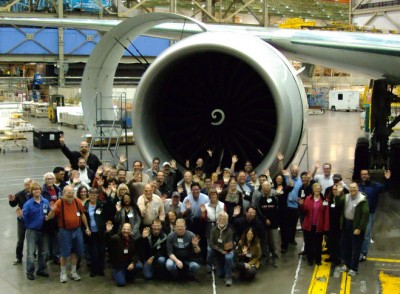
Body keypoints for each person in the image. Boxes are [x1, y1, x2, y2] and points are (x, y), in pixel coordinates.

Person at [46, 185, 91, 283]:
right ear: (63, 193)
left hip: (77, 230)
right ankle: (63, 273)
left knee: (75, 252)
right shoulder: (59, 203)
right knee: (64, 253)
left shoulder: (77, 201)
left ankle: (73, 272)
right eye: (68, 193)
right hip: (65, 232)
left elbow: (82, 214)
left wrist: (87, 227)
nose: (70, 195)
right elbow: (49, 218)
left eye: (72, 193)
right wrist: (52, 210)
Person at [337, 182, 369, 276]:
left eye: (354, 187)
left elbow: (365, 215)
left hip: (356, 226)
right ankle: (347, 264)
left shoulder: (362, 199)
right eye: (351, 188)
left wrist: (359, 228)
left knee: (356, 248)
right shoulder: (346, 197)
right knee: (346, 246)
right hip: (346, 224)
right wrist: (339, 194)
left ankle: (354, 268)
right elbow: (338, 204)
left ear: (358, 188)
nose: (352, 189)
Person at [19, 182, 50, 280]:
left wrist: (51, 212)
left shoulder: (45, 202)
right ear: (32, 192)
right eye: (34, 189)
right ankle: (30, 271)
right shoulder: (28, 204)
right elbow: (24, 219)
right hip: (32, 231)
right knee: (31, 253)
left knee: (43, 252)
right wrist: (20, 216)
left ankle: (41, 269)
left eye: (38, 189)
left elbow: (48, 214)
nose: (37, 191)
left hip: (43, 231)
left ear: (41, 190)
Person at [358, 169, 391, 262]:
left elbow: (385, 188)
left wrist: (387, 180)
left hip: (369, 214)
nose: (364, 176)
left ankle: (363, 253)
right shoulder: (359, 186)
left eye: (365, 174)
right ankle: (358, 251)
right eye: (362, 174)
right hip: (359, 214)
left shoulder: (375, 185)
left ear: (369, 175)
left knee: (366, 235)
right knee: (358, 234)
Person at [298, 183, 329, 266]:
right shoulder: (308, 198)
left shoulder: (324, 200)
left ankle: (318, 260)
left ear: (321, 189)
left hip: (319, 226)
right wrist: (301, 205)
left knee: (318, 244)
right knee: (309, 244)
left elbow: (326, 214)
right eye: (315, 188)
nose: (317, 190)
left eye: (319, 188)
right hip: (309, 226)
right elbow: (304, 211)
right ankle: (310, 260)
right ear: (313, 189)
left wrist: (326, 226)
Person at [105, 222, 142, 286]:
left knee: (139, 266)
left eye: (128, 229)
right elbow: (107, 242)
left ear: (130, 230)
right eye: (124, 229)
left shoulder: (133, 240)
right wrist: (108, 232)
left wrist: (133, 263)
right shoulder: (116, 238)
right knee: (121, 283)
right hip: (118, 265)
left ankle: (127, 275)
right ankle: (116, 273)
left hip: (128, 263)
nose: (126, 231)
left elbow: (136, 253)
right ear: (121, 229)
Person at [84, 188, 108, 277]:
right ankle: (93, 269)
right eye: (91, 194)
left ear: (97, 195)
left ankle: (100, 269)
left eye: (94, 195)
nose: (93, 196)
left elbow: (106, 215)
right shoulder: (85, 206)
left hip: (100, 232)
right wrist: (86, 229)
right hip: (90, 233)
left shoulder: (101, 205)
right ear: (88, 195)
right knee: (93, 252)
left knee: (101, 251)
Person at [8, 178, 32, 265]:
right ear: (24, 185)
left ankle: (33, 255)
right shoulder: (20, 194)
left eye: (30, 184)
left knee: (32, 239)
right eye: (27, 185)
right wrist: (11, 200)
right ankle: (19, 257)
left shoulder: (35, 193)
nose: (29, 186)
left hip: (32, 220)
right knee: (20, 239)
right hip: (22, 220)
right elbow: (13, 204)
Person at [201, 188, 226, 272]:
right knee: (209, 249)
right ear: (209, 196)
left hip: (220, 227)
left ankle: (217, 264)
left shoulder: (222, 205)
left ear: (217, 195)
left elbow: (225, 216)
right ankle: (208, 264)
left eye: (214, 194)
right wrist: (203, 214)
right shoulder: (206, 205)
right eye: (211, 195)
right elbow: (203, 219)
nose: (213, 196)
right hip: (210, 227)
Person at [256, 182, 279, 267]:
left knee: (273, 242)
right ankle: (266, 257)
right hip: (263, 224)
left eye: (267, 187)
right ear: (262, 188)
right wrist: (265, 219)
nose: (266, 189)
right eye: (264, 187)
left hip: (273, 224)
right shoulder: (259, 198)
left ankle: (275, 258)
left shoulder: (274, 198)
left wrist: (271, 220)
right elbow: (258, 211)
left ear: (270, 188)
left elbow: (276, 210)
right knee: (264, 241)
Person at [209, 211, 234, 286]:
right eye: (221, 219)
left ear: (227, 221)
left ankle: (228, 278)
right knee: (220, 275)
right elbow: (211, 243)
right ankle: (224, 266)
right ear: (218, 220)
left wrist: (228, 247)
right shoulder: (213, 230)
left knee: (228, 257)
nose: (222, 220)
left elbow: (229, 245)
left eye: (224, 219)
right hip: (218, 252)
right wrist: (221, 250)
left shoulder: (229, 231)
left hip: (227, 252)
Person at [326, 184, 345, 265]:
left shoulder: (341, 199)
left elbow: (339, 207)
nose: (334, 191)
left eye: (336, 189)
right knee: (331, 241)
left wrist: (337, 195)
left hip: (337, 224)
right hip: (330, 223)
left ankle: (337, 259)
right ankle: (332, 256)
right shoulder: (330, 199)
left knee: (337, 242)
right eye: (333, 189)